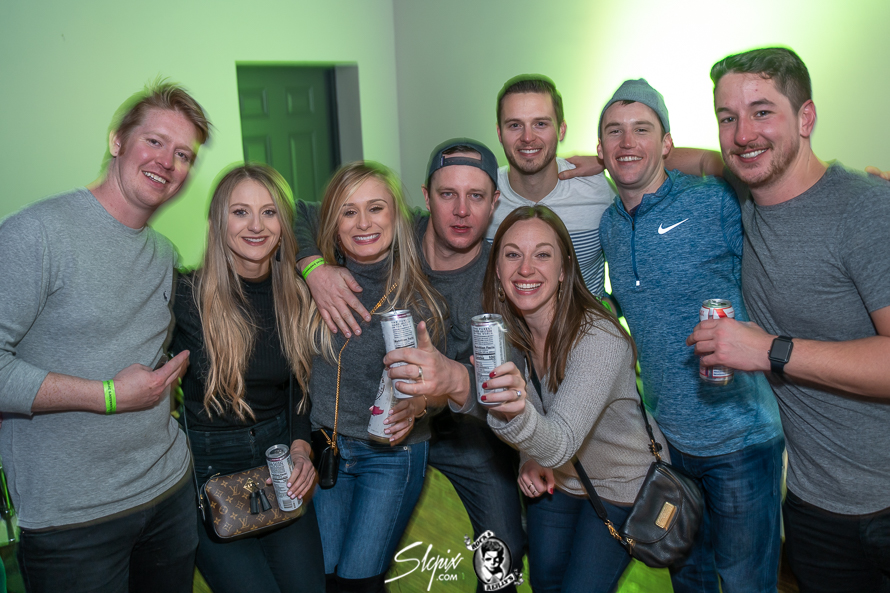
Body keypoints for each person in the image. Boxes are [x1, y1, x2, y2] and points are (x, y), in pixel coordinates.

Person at [685, 47, 890, 593]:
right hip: (811, 504)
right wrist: (608, 159)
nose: (742, 134)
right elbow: (702, 160)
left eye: (762, 112)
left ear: (806, 118)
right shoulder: (746, 196)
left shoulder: (866, 208)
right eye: (727, 117)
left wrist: (768, 350)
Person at [0, 80, 210, 592]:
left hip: (167, 492)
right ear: (117, 140)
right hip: (72, 521)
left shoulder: (162, 254)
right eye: (155, 141)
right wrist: (109, 395)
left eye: (183, 154)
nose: (167, 162)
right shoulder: (36, 234)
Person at [293, 140, 527, 592]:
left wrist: (441, 391)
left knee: (505, 549)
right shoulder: (391, 227)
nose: (461, 210)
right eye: (447, 194)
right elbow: (297, 211)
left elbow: (504, 387)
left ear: (495, 201)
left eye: (476, 196)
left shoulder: (500, 273)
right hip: (370, 429)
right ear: (425, 199)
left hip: (466, 429)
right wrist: (313, 267)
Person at [596, 79, 784, 593]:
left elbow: (765, 175)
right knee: (691, 582)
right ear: (600, 149)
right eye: (614, 132)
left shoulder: (712, 201)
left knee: (746, 584)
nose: (627, 142)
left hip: (740, 439)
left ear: (667, 144)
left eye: (642, 130)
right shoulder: (610, 225)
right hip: (670, 445)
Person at [480, 205, 670, 593]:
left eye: (542, 254)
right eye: (512, 254)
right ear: (497, 269)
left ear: (564, 268)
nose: (526, 268)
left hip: (622, 483)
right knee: (544, 582)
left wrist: (514, 417)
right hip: (561, 475)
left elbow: (560, 439)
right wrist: (527, 457)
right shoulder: (510, 333)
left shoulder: (598, 337)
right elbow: (539, 422)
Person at [170, 164, 324, 593]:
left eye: (269, 212)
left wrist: (300, 448)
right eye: (240, 212)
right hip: (209, 474)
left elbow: (300, 388)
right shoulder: (185, 296)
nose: (256, 226)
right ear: (217, 222)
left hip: (280, 468)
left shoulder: (298, 294)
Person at [308, 161, 447, 592]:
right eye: (348, 212)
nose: (363, 223)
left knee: (359, 581)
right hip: (326, 449)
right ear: (333, 225)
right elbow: (287, 212)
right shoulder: (316, 286)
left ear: (396, 217)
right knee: (324, 576)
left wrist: (420, 403)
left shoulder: (421, 296)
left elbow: (443, 390)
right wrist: (310, 268)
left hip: (391, 455)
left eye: (376, 208)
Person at [489, 75, 614, 297]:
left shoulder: (599, 189)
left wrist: (610, 307)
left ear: (561, 129)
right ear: (500, 133)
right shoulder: (484, 194)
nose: (528, 137)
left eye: (540, 124)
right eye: (515, 125)